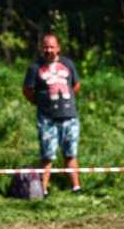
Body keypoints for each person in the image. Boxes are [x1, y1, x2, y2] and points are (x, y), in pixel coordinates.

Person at [22, 34, 81, 196]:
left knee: (70, 153)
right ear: (42, 48)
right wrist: (40, 102)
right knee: (47, 155)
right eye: (46, 47)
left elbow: (76, 85)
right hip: (47, 119)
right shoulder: (35, 67)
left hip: (69, 117)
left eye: (51, 47)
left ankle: (76, 188)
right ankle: (43, 190)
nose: (48, 50)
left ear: (58, 48)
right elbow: (27, 90)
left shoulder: (67, 64)